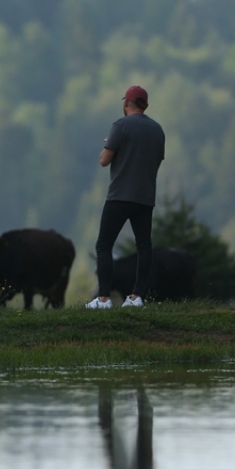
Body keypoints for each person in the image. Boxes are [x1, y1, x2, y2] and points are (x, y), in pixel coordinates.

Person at [87, 85, 165, 309]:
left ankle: (103, 298)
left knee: (104, 246)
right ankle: (137, 297)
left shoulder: (120, 126)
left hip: (119, 196)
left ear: (126, 103)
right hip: (145, 198)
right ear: (145, 105)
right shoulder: (157, 130)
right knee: (144, 247)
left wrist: (109, 144)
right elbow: (156, 160)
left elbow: (104, 160)